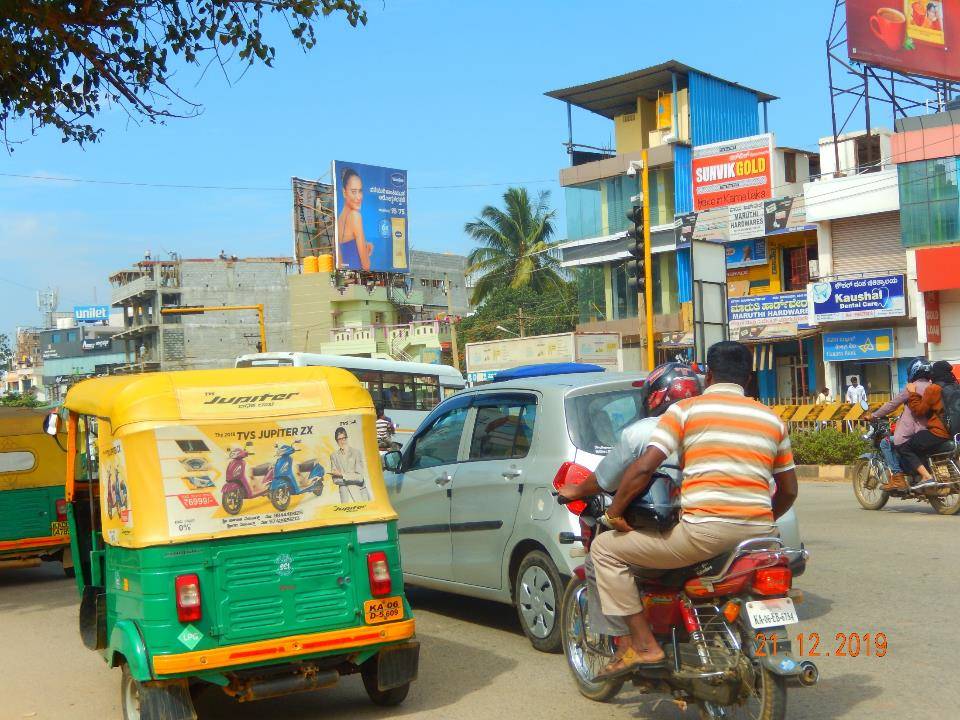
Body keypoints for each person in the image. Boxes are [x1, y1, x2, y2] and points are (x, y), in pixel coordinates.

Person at [588, 341, 798, 678]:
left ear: (708, 375)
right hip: (761, 539)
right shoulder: (772, 420)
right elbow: (788, 490)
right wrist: (757, 519)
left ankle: (644, 645)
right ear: (749, 377)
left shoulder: (686, 411)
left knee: (604, 550)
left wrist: (615, 512)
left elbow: (644, 468)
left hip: (703, 534)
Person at [558, 362, 701, 639]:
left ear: (656, 396)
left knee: (601, 554)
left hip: (683, 533)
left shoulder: (644, 431)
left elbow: (606, 478)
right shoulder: (713, 428)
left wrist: (578, 491)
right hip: (739, 526)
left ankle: (633, 646)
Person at [864, 359, 931, 490]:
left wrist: (873, 415)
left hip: (913, 432)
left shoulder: (912, 387)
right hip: (931, 431)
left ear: (914, 371)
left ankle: (897, 477)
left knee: (886, 443)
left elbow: (892, 405)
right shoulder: (933, 386)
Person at [898, 365, 952, 483]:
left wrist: (912, 393)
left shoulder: (933, 389)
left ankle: (926, 476)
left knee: (905, 447)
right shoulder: (955, 387)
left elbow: (919, 411)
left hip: (939, 432)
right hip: (954, 432)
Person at [337, 167, 372, 271]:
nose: (358, 197)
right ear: (344, 192)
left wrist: (366, 249)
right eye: (353, 191)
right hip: (357, 280)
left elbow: (341, 260)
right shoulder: (355, 216)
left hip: (347, 278)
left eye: (360, 191)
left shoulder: (339, 219)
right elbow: (366, 265)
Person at [329, 426, 371, 502]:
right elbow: (335, 480)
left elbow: (360, 478)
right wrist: (353, 477)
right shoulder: (334, 456)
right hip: (345, 498)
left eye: (344, 438)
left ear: (346, 438)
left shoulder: (356, 453)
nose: (342, 441)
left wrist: (342, 475)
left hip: (360, 495)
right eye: (339, 439)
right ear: (336, 441)